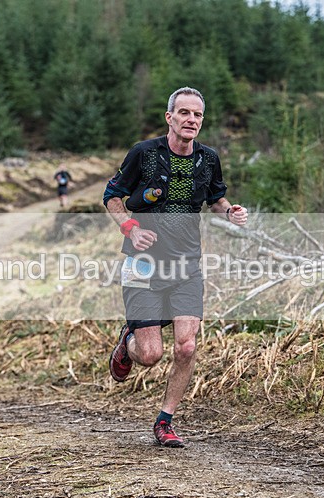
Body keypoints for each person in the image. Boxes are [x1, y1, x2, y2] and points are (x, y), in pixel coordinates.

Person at [102, 87, 248, 448]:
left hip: (187, 264)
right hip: (144, 264)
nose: (191, 120)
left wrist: (229, 212)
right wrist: (129, 228)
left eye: (197, 115)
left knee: (185, 346)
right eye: (183, 113)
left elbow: (215, 197)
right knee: (150, 355)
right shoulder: (143, 153)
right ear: (170, 118)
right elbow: (112, 196)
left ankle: (164, 421)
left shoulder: (208, 159)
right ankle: (128, 341)